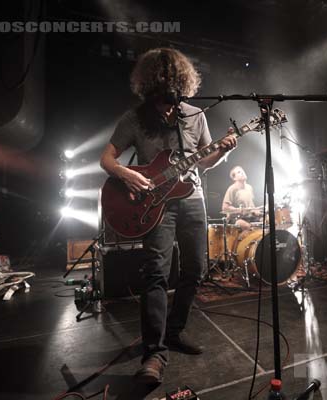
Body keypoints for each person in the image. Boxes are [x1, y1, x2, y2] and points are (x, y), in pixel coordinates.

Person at [100, 48, 237, 384]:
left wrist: (221, 152)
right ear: (150, 87)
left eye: (171, 95)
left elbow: (203, 161)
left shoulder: (195, 115)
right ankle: (154, 352)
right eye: (161, 97)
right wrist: (126, 174)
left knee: (196, 269)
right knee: (156, 274)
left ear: (180, 85)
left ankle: (173, 332)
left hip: (193, 198)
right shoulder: (135, 118)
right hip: (154, 204)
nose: (167, 106)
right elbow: (107, 159)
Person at [221, 165, 263, 230]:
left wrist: (256, 210)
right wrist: (240, 210)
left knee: (267, 221)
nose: (242, 172)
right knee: (247, 226)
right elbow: (225, 208)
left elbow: (251, 206)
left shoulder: (249, 187)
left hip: (251, 217)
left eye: (242, 171)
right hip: (237, 219)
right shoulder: (232, 189)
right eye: (239, 172)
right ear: (234, 178)